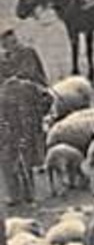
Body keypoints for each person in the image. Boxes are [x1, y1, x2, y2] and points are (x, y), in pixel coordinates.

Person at [0, 59, 52, 207]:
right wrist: (38, 115)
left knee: (8, 163)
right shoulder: (28, 86)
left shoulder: (2, 93)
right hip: (27, 130)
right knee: (26, 161)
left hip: (7, 134)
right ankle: (30, 194)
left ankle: (14, 196)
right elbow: (48, 98)